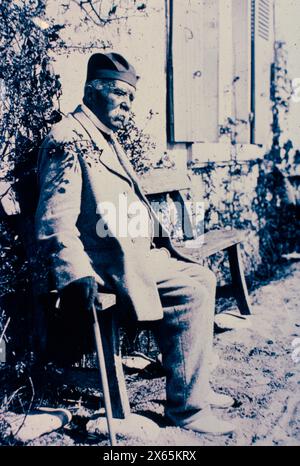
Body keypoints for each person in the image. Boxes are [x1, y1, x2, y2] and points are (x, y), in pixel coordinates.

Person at [35, 52, 235, 435]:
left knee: (202, 277)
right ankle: (188, 410)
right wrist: (76, 276)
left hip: (133, 253)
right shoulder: (68, 137)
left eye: (130, 99)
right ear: (94, 91)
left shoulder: (103, 137)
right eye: (120, 96)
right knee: (190, 293)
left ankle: (194, 387)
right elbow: (55, 221)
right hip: (104, 265)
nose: (127, 106)